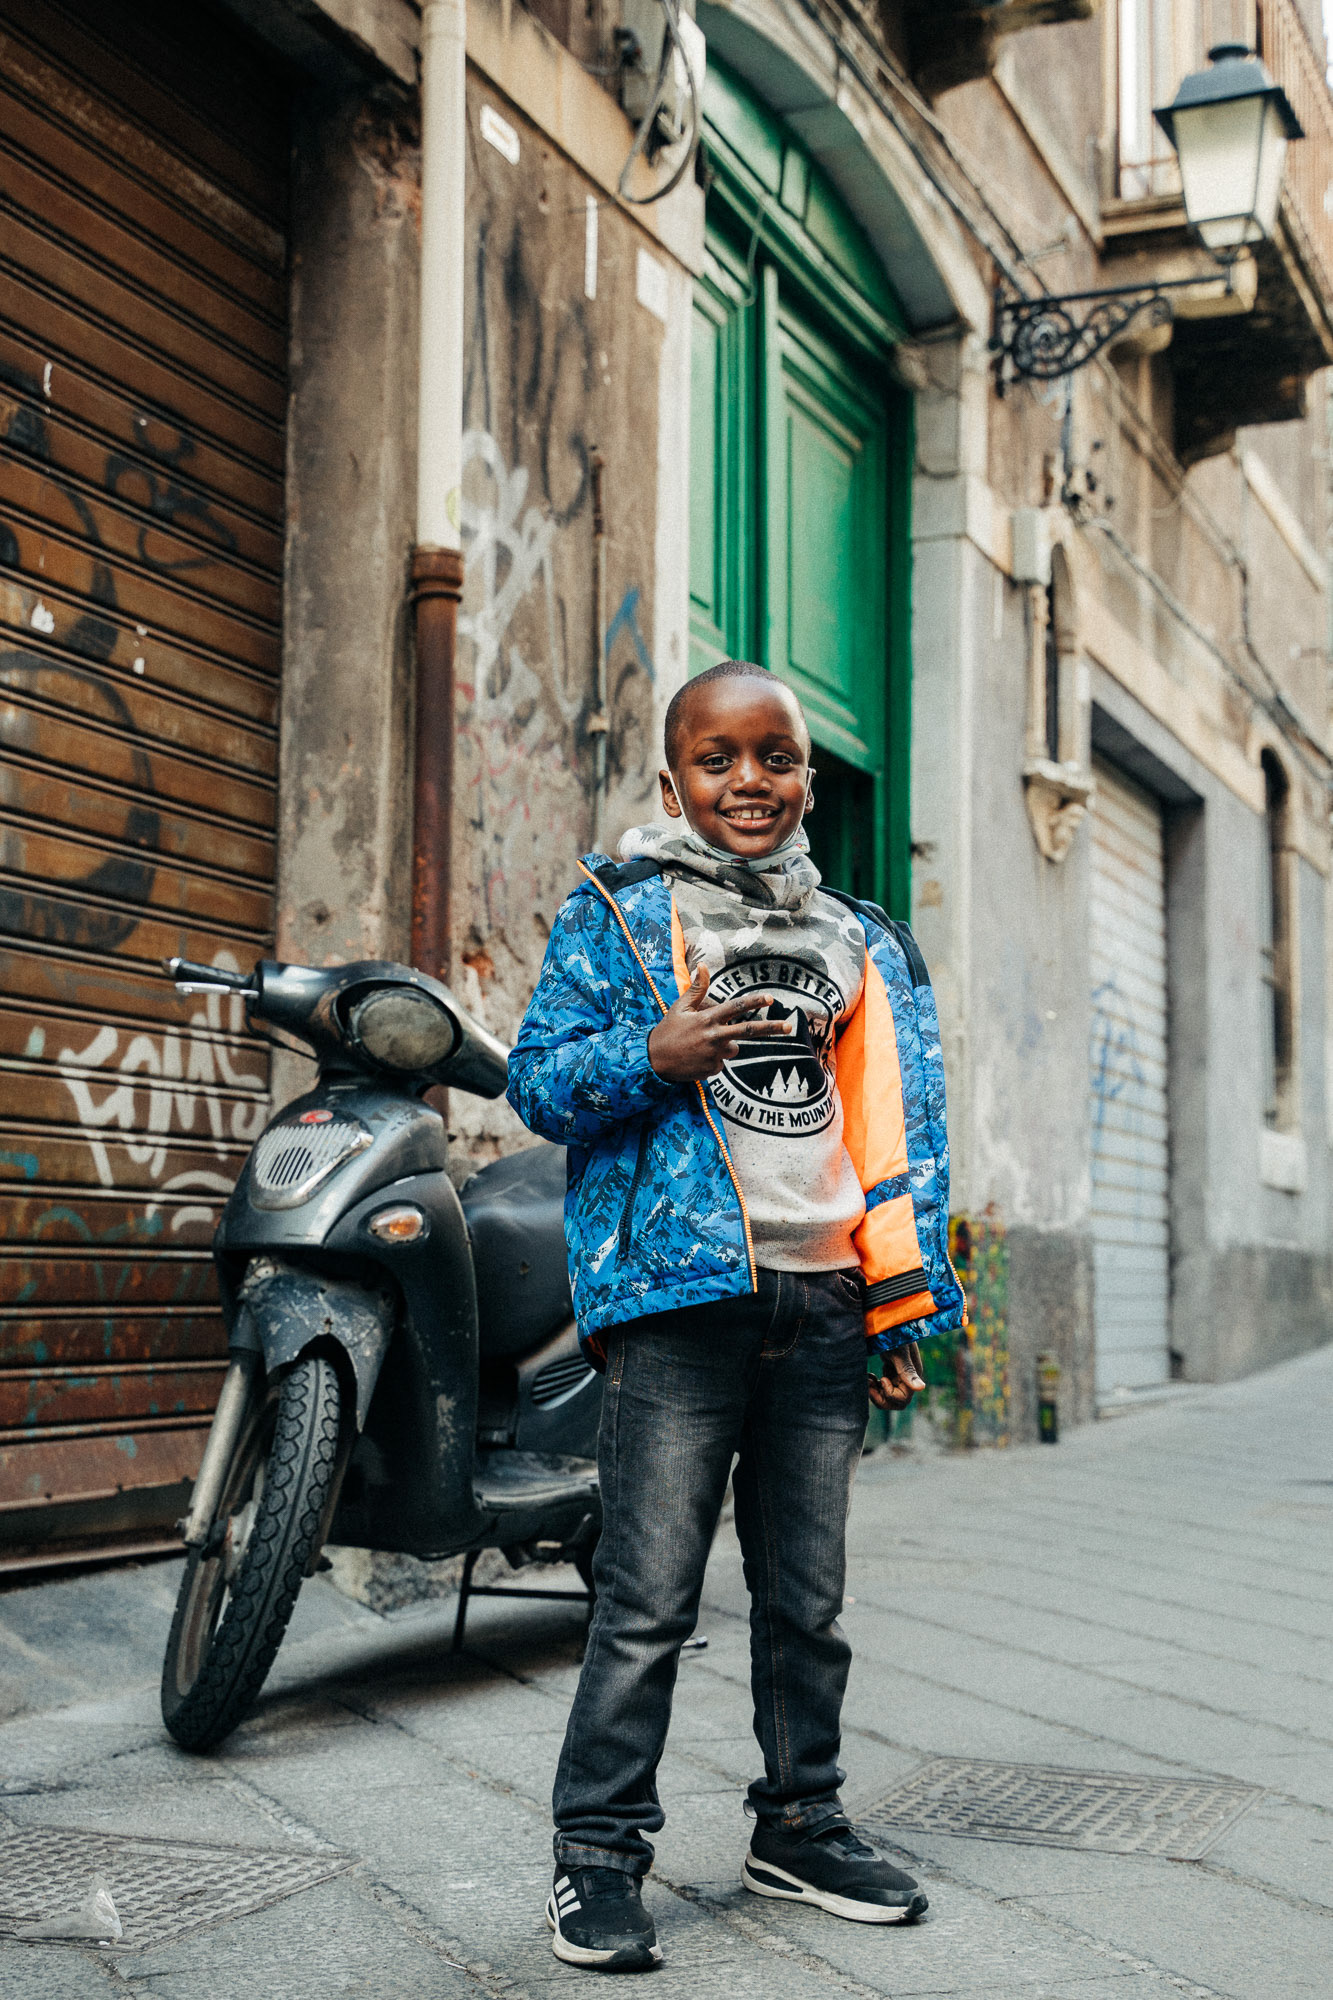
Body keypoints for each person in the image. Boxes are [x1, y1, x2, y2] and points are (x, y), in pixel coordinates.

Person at [507, 659, 966, 1972]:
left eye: (775, 759)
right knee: (646, 1599)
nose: (749, 783)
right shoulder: (616, 911)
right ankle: (596, 1856)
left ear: (807, 777)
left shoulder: (858, 936)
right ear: (674, 779)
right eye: (719, 761)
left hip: (822, 1301)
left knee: (805, 1600)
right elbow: (539, 1083)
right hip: (677, 1307)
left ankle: (799, 1824)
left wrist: (895, 1306)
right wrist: (648, 1056)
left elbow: (893, 1128)